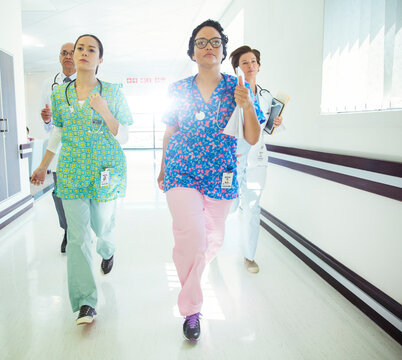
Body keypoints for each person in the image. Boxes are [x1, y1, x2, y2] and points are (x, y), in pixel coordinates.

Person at [157, 20, 265, 342]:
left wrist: (246, 106)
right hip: (181, 169)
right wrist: (163, 165)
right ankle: (192, 310)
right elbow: (170, 129)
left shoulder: (238, 87)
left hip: (222, 172)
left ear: (223, 50)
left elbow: (252, 136)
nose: (208, 47)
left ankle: (192, 275)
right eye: (201, 42)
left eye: (214, 42)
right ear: (192, 51)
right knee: (190, 235)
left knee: (212, 240)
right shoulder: (177, 89)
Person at [31, 34, 133, 325]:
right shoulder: (59, 95)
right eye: (80, 48)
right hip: (72, 171)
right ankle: (86, 302)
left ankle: (108, 248)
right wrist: (42, 166)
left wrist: (104, 111)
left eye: (92, 49)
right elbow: (58, 133)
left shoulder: (112, 92)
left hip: (105, 171)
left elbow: (123, 135)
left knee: (102, 226)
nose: (84, 53)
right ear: (72, 56)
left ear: (100, 59)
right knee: (77, 238)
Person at [229, 45, 284, 274]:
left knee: (252, 207)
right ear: (237, 69)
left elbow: (267, 129)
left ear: (258, 66)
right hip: (232, 157)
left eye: (253, 62)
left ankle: (249, 256)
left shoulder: (266, 96)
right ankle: (212, 245)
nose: (250, 66)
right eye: (244, 62)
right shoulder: (231, 93)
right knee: (228, 207)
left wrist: (276, 124)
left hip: (257, 157)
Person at [40, 42, 77, 253]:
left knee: (82, 194)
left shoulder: (86, 83)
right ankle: (68, 231)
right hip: (58, 152)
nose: (68, 56)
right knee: (59, 194)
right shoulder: (49, 85)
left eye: (72, 52)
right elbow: (49, 128)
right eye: (64, 52)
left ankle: (79, 229)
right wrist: (46, 120)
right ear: (59, 56)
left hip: (82, 151)